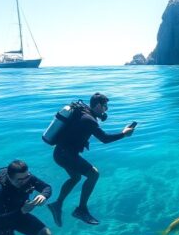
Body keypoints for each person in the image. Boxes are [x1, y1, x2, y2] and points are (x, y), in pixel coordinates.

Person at [47, 92, 134, 226]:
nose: (106, 110)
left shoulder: (83, 113)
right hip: (65, 155)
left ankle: (57, 205)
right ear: (98, 105)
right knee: (93, 174)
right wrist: (124, 134)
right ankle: (81, 210)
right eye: (105, 106)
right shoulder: (88, 119)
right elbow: (104, 138)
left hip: (61, 153)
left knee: (75, 177)